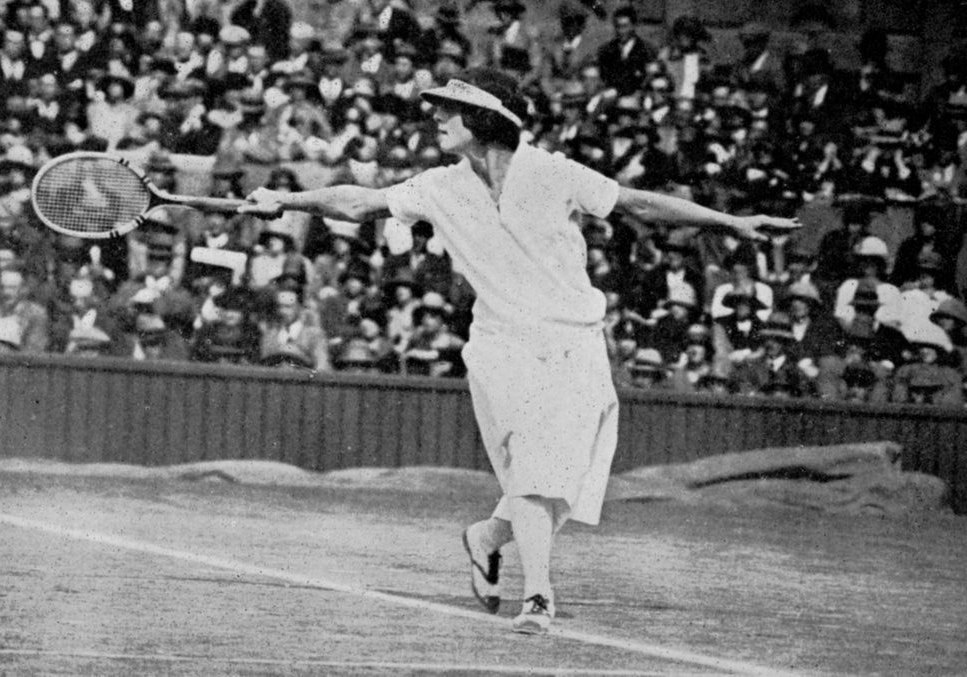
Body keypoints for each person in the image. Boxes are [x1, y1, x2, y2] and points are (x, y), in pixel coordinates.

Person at [239, 67, 799, 635]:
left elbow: (640, 205)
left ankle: (487, 537)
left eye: (448, 110)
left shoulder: (554, 173)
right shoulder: (439, 185)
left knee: (565, 479)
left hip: (575, 341)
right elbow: (358, 204)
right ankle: (538, 596)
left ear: (484, 119)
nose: (435, 117)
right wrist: (285, 199)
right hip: (502, 344)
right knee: (535, 467)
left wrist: (731, 221)